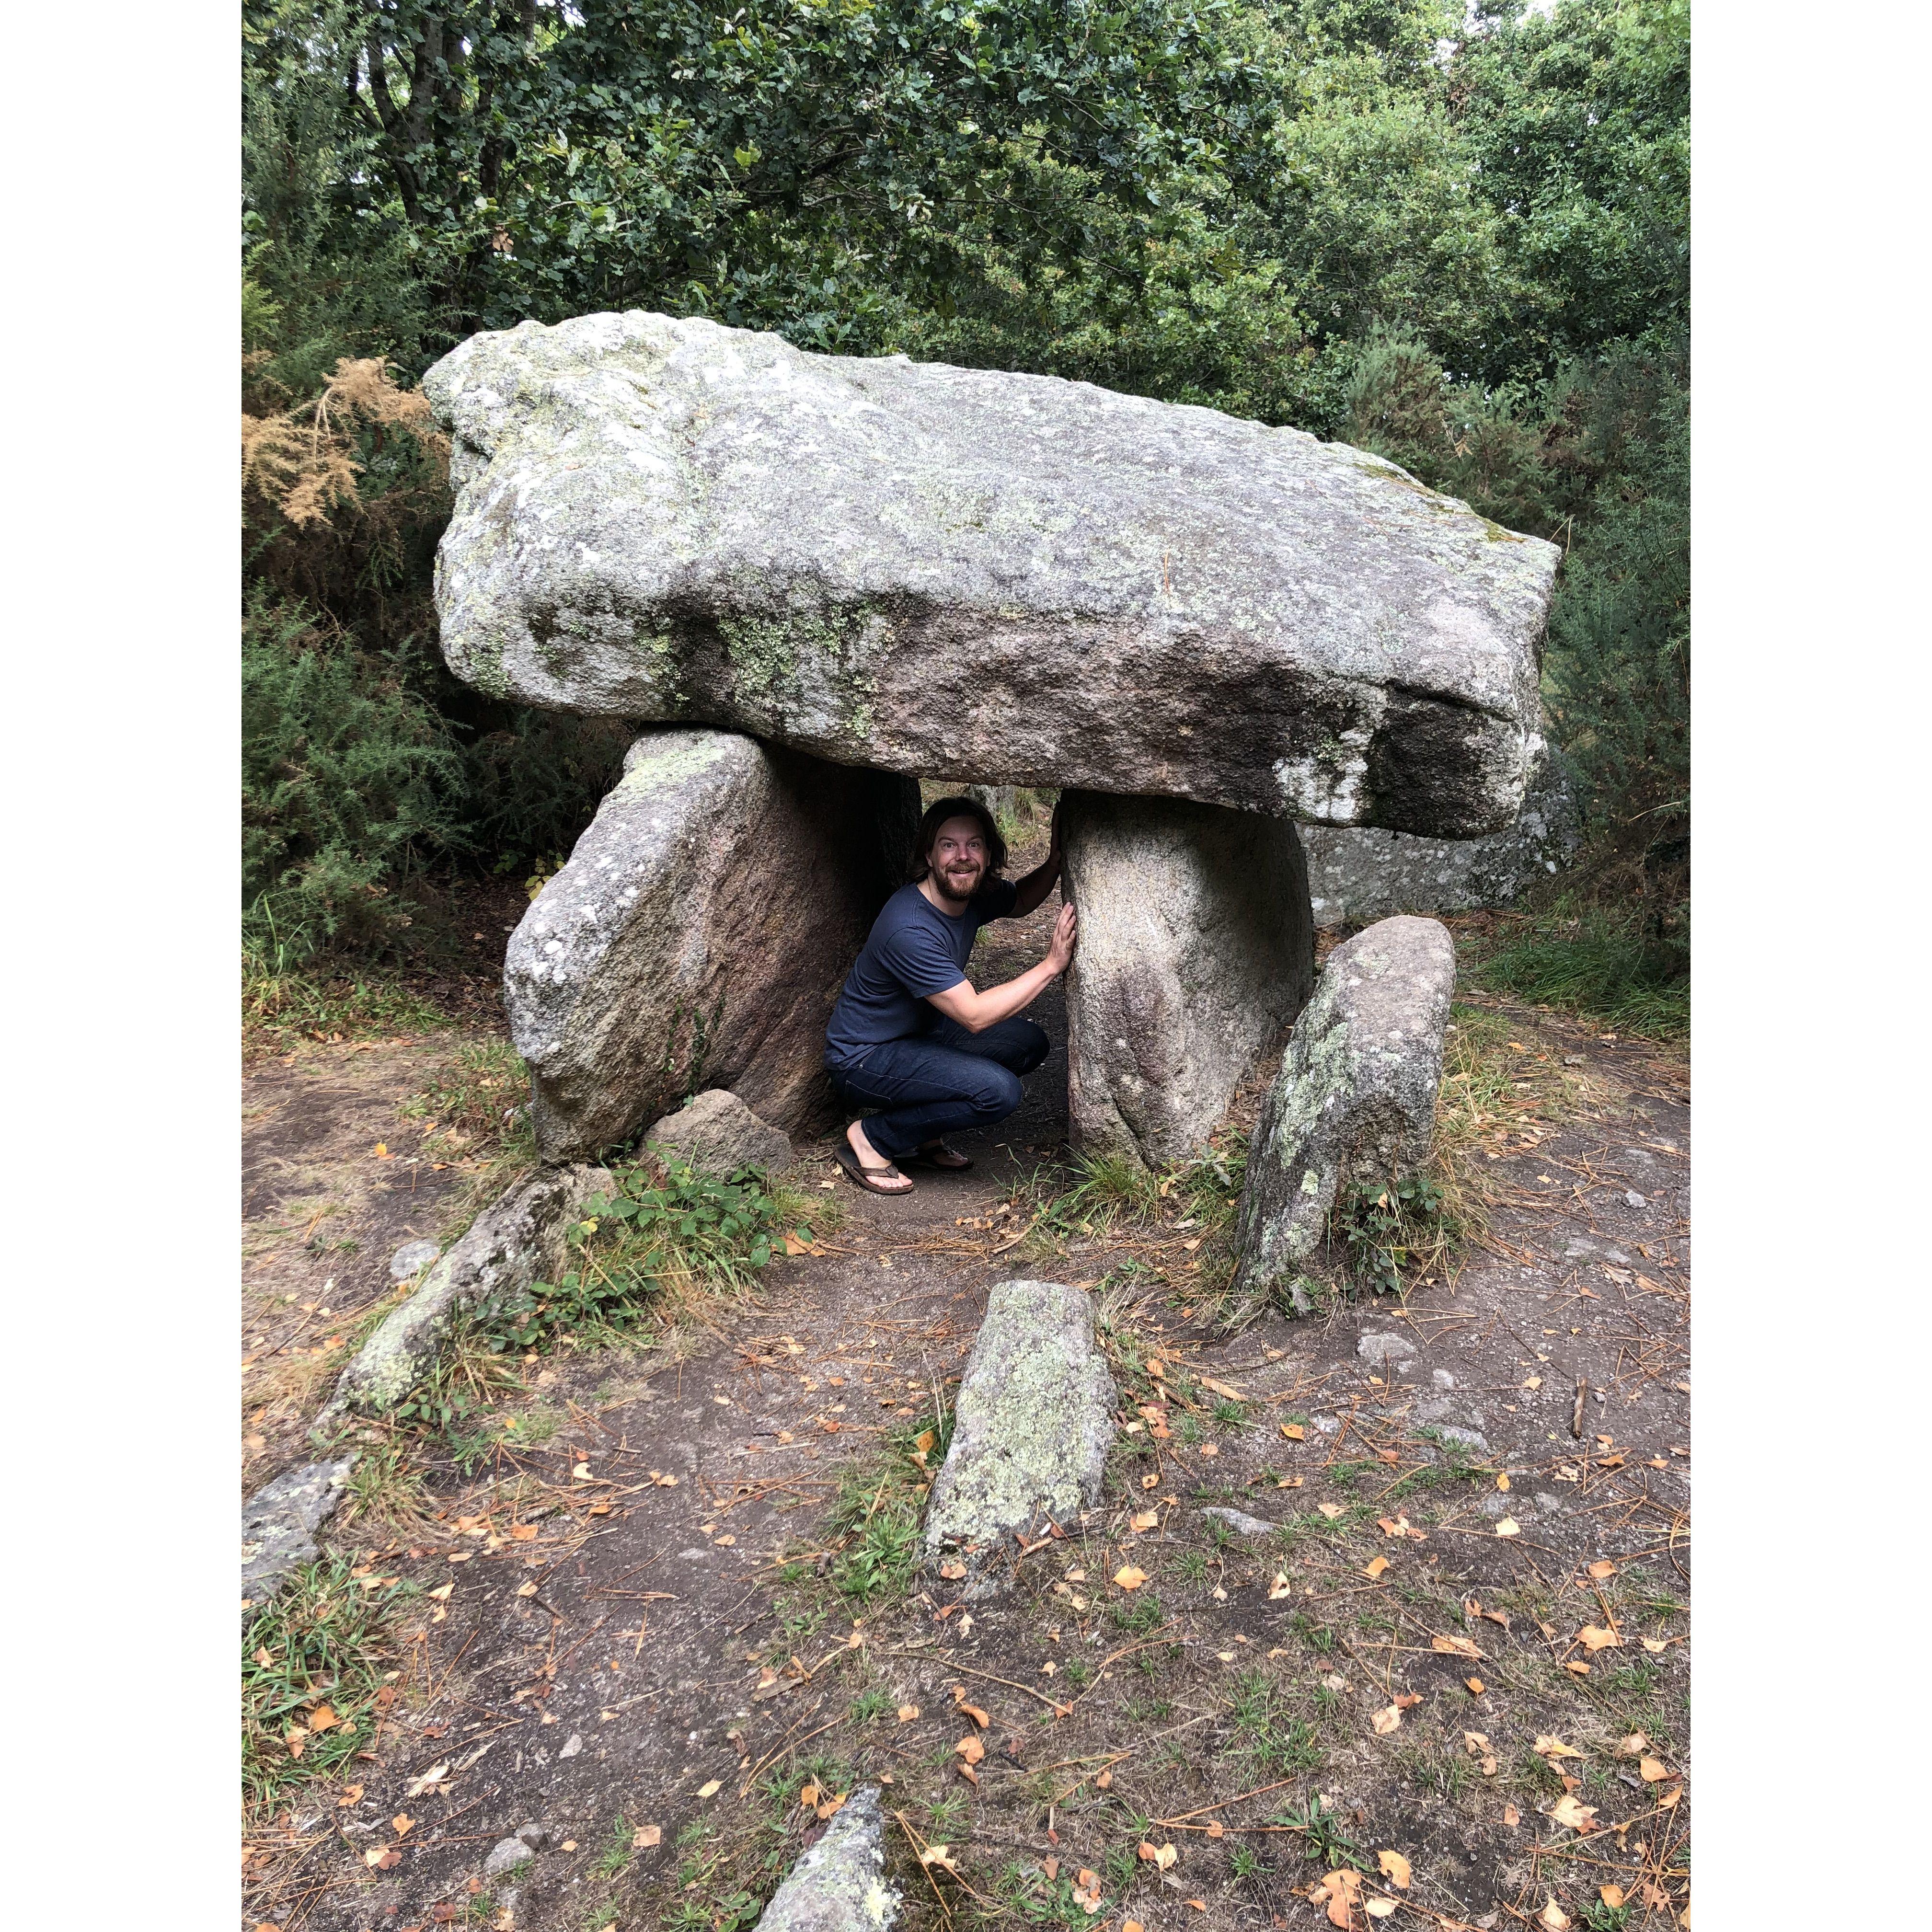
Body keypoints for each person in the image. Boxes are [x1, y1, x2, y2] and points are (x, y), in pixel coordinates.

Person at [824, 795, 1077, 1195]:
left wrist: (1056, 861)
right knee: (998, 1092)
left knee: (1028, 1043)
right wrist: (1050, 965)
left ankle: (924, 1139)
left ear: (988, 852)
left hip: (920, 1034)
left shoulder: (967, 893)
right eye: (948, 845)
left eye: (974, 844)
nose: (962, 856)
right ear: (928, 854)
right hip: (864, 1058)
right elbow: (974, 1014)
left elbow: (1023, 900)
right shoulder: (909, 928)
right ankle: (874, 1137)